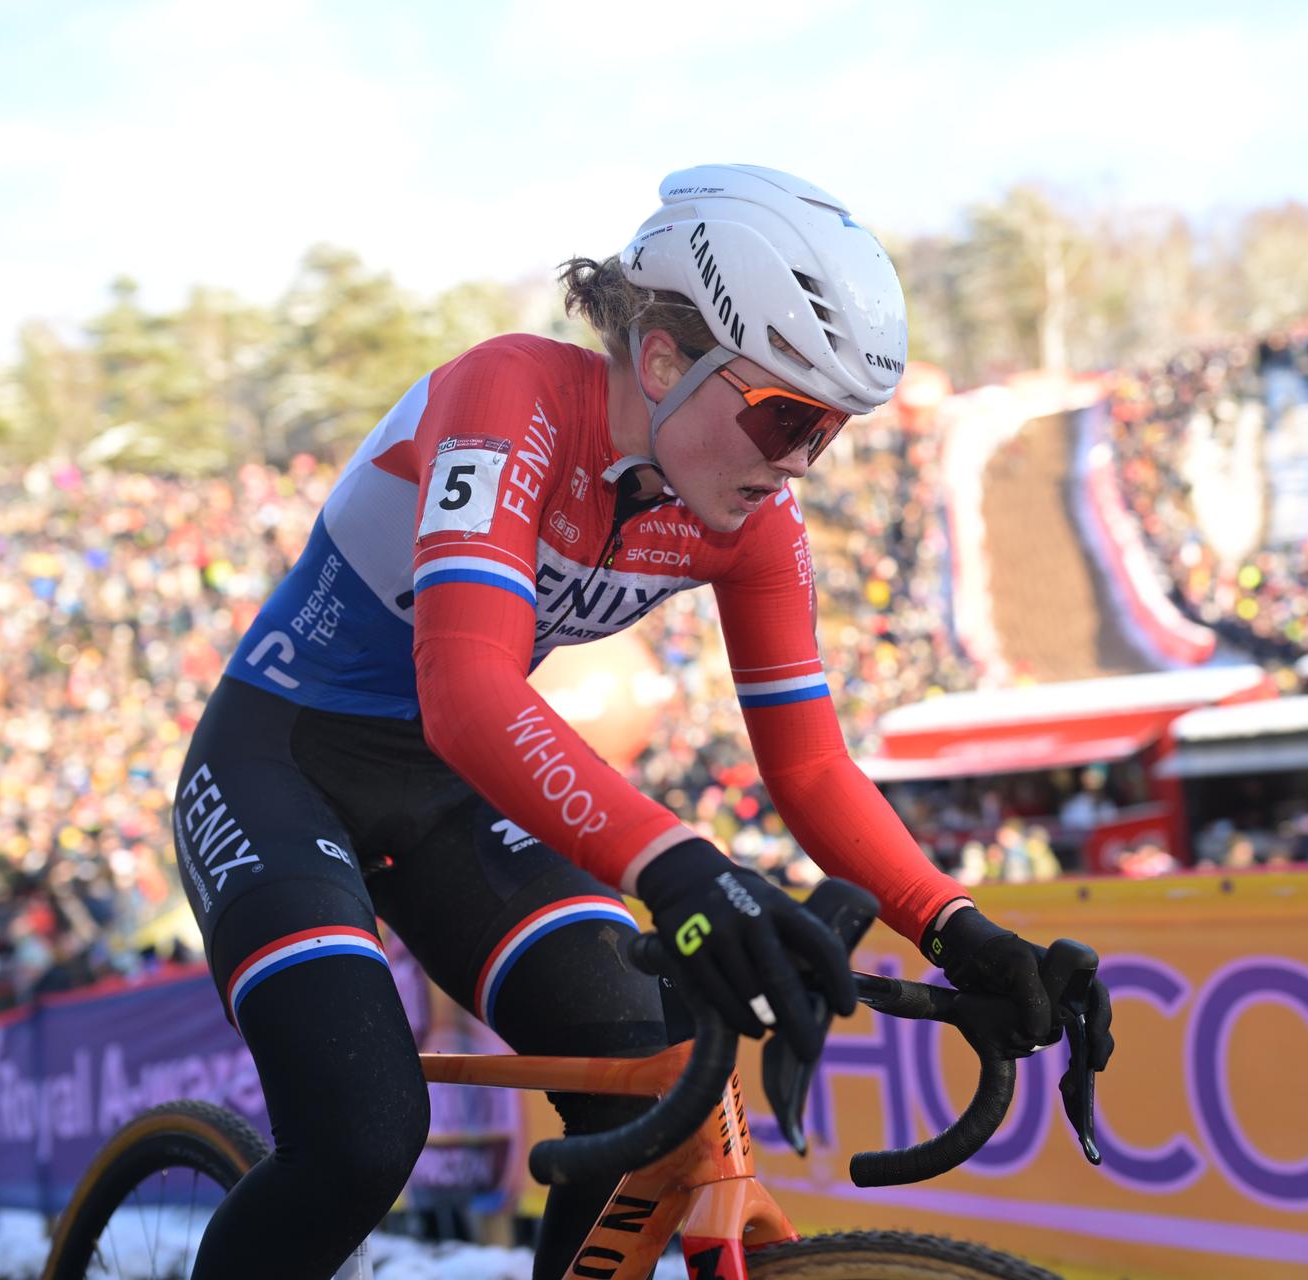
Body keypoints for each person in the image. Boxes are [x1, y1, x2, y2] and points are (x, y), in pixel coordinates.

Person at [170, 164, 1114, 1280]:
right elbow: (467, 689)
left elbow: (809, 764)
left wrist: (959, 928)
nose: (801, 461)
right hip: (281, 762)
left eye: (833, 430)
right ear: (664, 355)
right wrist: (679, 866)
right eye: (784, 414)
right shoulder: (508, 394)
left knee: (655, 1088)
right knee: (363, 1136)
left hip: (451, 793)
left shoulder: (751, 521)